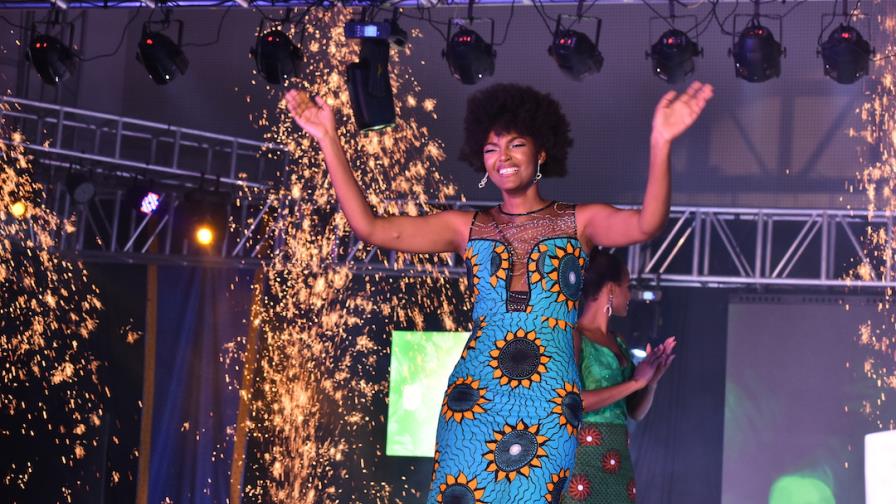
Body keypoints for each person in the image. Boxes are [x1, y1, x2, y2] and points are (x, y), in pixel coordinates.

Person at [285, 81, 712, 503]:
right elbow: (371, 227)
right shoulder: (466, 227)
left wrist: (661, 141)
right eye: (491, 149)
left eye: (515, 145)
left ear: (542, 152)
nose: (502, 158)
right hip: (476, 396)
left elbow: (647, 224)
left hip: (549, 399)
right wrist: (328, 138)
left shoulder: (579, 221)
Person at [562, 249, 675, 503]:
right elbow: (573, 402)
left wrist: (651, 382)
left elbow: (634, 412)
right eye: (627, 286)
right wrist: (636, 382)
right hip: (584, 460)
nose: (630, 295)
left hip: (619, 461)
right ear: (610, 289)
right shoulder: (574, 336)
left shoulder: (619, 342)